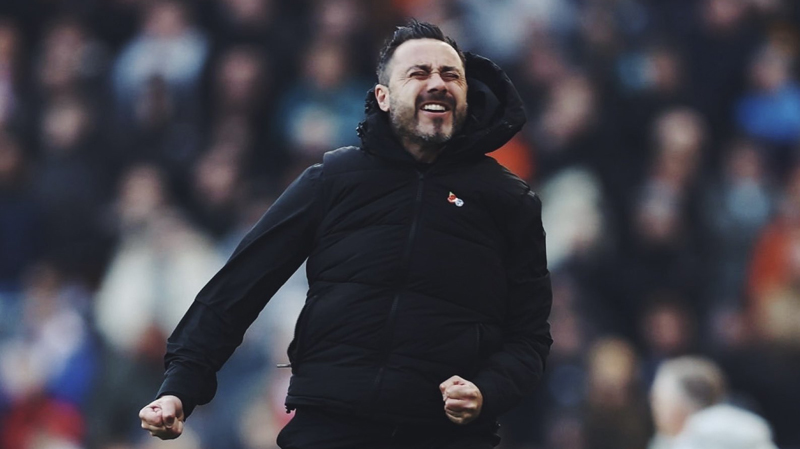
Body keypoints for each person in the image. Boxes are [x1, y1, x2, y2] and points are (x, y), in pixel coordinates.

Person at [139, 20, 553, 449]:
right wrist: (179, 387)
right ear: (383, 97)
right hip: (329, 428)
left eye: (451, 75)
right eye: (418, 73)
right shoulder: (333, 179)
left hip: (445, 437)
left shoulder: (510, 201)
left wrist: (486, 392)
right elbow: (236, 289)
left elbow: (530, 338)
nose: (438, 83)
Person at [648, 356, 777, 449]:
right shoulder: (666, 441)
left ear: (683, 402)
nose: (654, 407)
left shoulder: (712, 439)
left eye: (659, 400)